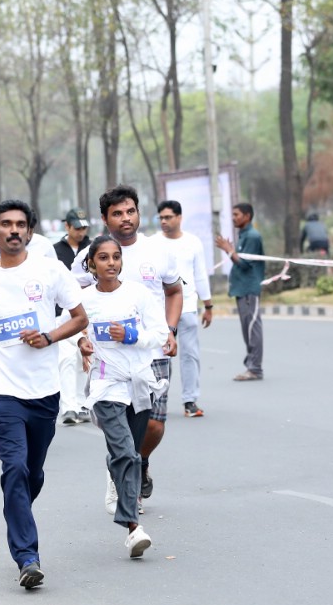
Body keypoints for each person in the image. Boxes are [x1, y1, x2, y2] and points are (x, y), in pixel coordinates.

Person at [0, 199, 88, 589]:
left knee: (31, 474)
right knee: (15, 467)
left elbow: (80, 317)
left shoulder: (50, 270)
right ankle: (27, 556)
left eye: (20, 224)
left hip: (44, 390)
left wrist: (49, 336)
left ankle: (16, 508)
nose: (14, 230)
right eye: (6, 224)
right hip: (1, 390)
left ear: (30, 232)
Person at [71, 186, 181, 507]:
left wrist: (170, 329)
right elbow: (70, 298)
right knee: (118, 419)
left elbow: (174, 292)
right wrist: (82, 338)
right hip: (109, 357)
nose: (126, 218)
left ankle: (137, 462)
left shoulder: (157, 251)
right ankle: (123, 471)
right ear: (105, 219)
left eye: (130, 211)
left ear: (138, 213)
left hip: (151, 350)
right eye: (117, 213)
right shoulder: (88, 256)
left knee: (154, 425)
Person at [76, 235, 168, 557]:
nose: (111, 263)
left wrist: (131, 335)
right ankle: (133, 528)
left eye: (115, 257)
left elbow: (159, 333)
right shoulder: (84, 300)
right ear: (92, 264)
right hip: (106, 386)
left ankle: (115, 469)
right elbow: (69, 329)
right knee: (129, 453)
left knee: (131, 453)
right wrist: (80, 343)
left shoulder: (138, 294)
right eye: (103, 258)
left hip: (140, 384)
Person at [156, 200, 214, 418]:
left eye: (168, 217)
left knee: (190, 355)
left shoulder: (193, 243)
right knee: (160, 355)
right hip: (160, 309)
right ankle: (158, 399)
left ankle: (190, 400)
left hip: (188, 306)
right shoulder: (153, 244)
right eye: (161, 217)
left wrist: (208, 305)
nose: (164, 221)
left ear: (179, 217)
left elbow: (200, 275)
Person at [215, 203, 265, 382]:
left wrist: (229, 250)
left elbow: (244, 264)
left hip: (249, 288)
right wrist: (231, 251)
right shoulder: (244, 235)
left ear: (247, 216)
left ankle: (255, 368)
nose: (233, 218)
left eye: (236, 214)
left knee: (252, 328)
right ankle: (252, 365)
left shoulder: (252, 236)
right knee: (247, 329)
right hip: (242, 289)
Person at [54, 209, 92, 426]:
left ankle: (82, 404)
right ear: (67, 227)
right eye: (76, 227)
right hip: (62, 313)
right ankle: (68, 408)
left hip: (87, 309)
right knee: (66, 358)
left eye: (84, 227)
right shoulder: (55, 251)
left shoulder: (94, 248)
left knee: (84, 358)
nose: (81, 231)